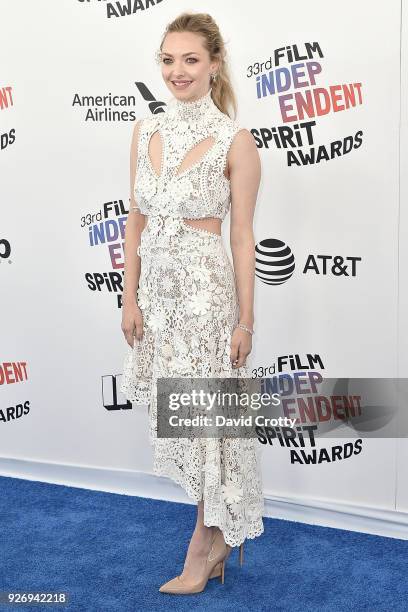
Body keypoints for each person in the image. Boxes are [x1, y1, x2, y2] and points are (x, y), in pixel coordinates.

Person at [120, 12, 264, 594]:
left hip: (206, 297)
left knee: (207, 421)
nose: (177, 71)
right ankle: (218, 536)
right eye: (168, 60)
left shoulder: (238, 140)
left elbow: (243, 237)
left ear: (214, 65)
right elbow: (134, 221)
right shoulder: (143, 129)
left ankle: (204, 544)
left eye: (190, 60)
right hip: (156, 294)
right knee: (179, 418)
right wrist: (129, 299)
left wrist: (246, 319)